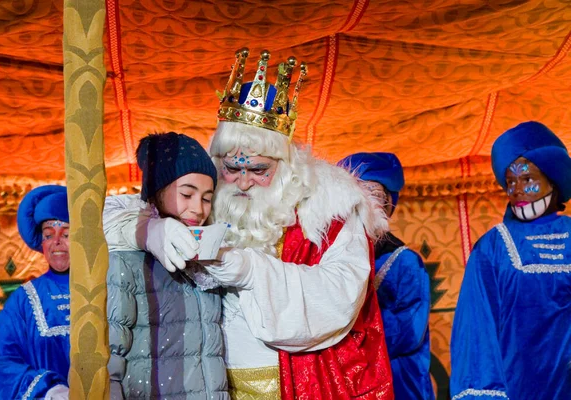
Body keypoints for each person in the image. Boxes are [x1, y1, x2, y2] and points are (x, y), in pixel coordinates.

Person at [103, 48, 394, 399]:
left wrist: (251, 270)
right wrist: (148, 230)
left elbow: (338, 299)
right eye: (231, 168)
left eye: (258, 170)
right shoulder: (203, 200)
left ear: (285, 166)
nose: (242, 182)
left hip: (305, 384)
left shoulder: (328, 212)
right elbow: (97, 220)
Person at [450, 121, 571, 400]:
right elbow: (476, 328)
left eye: (527, 180)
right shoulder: (492, 246)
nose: (516, 189)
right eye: (510, 182)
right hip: (514, 389)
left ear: (553, 180)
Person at [106, 132, 228, 399]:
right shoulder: (126, 260)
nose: (198, 209)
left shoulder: (205, 265)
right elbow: (110, 358)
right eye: (187, 194)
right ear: (158, 192)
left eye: (207, 198)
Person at [339, 152, 434, 400]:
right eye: (358, 192)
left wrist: (351, 336)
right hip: (349, 377)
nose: (366, 203)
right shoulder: (335, 256)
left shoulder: (405, 262)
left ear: (388, 205)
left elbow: (409, 331)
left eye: (374, 194)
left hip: (397, 379)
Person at [0, 185, 71, 400]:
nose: (57, 241)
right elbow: (1, 364)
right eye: (48, 235)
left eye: (67, 233)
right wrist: (50, 390)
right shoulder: (22, 301)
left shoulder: (109, 285)